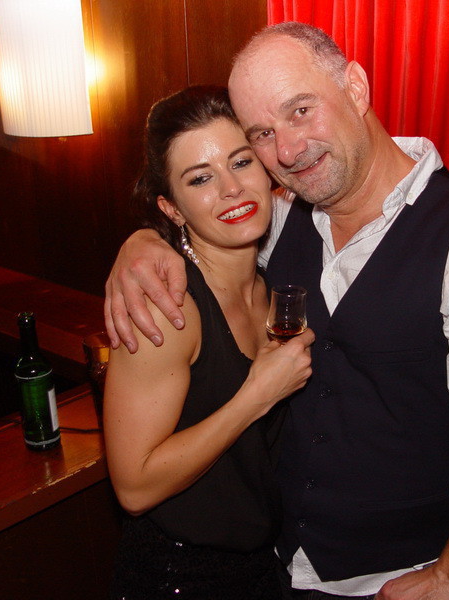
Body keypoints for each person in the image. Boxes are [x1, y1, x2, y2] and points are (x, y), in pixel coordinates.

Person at [105, 22, 449, 599]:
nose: (288, 150)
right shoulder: (279, 220)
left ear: (355, 87)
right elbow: (203, 226)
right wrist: (143, 243)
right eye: (263, 133)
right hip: (275, 564)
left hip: (393, 576)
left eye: (301, 110)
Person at [103, 86, 314, 599]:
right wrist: (255, 397)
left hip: (265, 566)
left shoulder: (273, 283)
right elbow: (133, 487)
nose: (232, 189)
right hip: (178, 576)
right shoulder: (167, 307)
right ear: (171, 209)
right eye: (200, 178)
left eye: (241, 162)